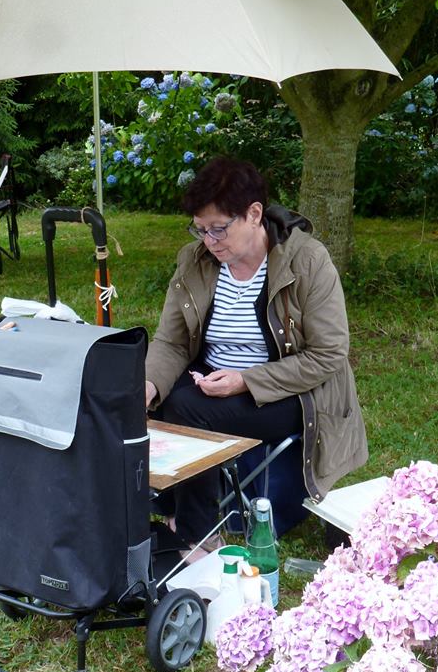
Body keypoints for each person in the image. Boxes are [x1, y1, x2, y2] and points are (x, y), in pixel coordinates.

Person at [145, 157, 368, 553]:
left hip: (292, 391)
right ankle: (163, 511)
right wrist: (147, 385)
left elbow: (328, 354)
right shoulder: (194, 260)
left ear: (254, 214)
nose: (209, 241)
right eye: (200, 229)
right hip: (212, 377)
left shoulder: (307, 261)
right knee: (142, 397)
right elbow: (172, 342)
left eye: (218, 229)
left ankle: (197, 535)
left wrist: (245, 381)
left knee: (187, 409)